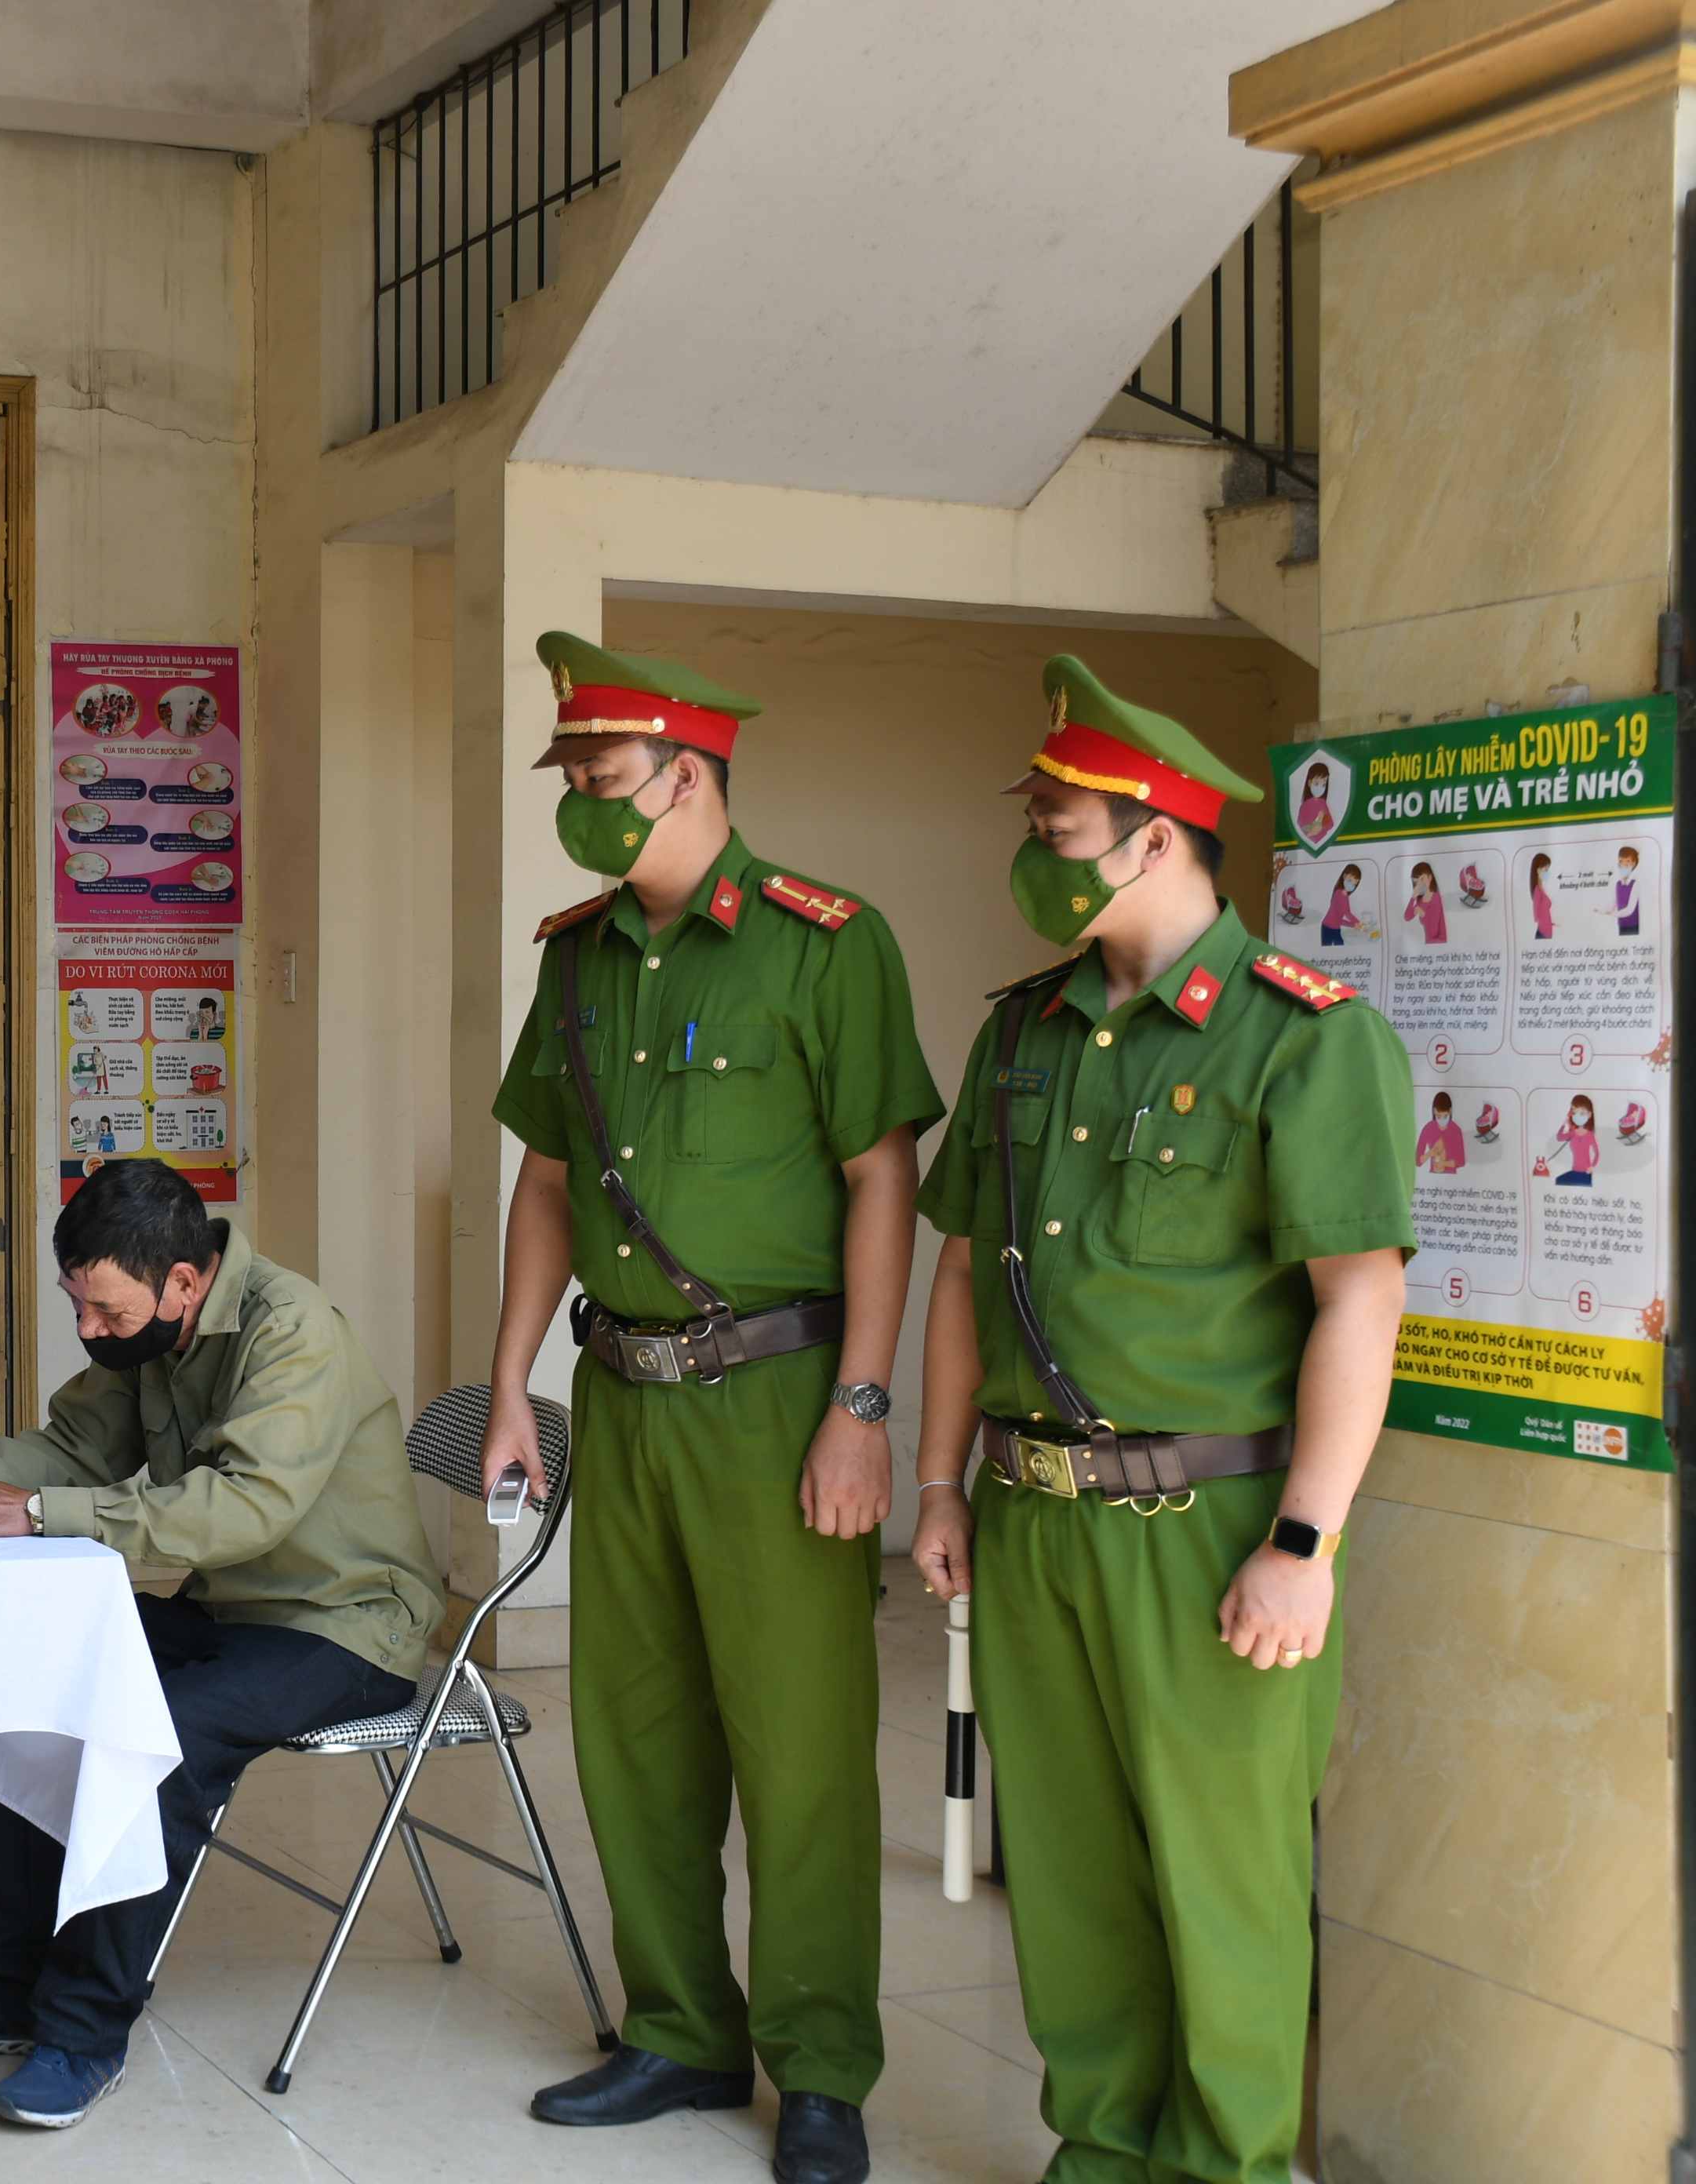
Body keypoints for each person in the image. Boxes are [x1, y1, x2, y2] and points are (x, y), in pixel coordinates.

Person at [905, 654, 1413, 2184]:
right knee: (1064, 1871)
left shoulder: (1303, 1037)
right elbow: (960, 1278)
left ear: (1156, 836)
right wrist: (940, 1485)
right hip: (1034, 1523)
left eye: (1057, 821)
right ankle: (1105, 2153)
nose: (1035, 847)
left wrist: (1305, 1542)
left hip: (1210, 1534)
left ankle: (1234, 2167)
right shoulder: (1021, 1034)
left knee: (1225, 1877)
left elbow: (1360, 1302)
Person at [474, 632, 938, 2184]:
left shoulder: (826, 942)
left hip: (783, 1392)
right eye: (575, 785)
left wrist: (863, 1402)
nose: (584, 808)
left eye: (603, 783)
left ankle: (820, 2067)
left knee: (802, 1744)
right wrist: (515, 1386)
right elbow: (545, 1180)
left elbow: (886, 1177)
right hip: (625, 1394)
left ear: (689, 776)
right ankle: (679, 2030)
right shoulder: (580, 953)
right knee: (636, 1732)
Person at [0, 1156, 446, 2131]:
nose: (89, 1331)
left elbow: (244, 1510)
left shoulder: (291, 1329)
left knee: (162, 1733)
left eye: (104, 1311)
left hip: (346, 1623)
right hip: (233, 1614)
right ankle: (9, 1980)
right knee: (24, 1665)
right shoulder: (152, 1326)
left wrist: (39, 1514)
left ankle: (85, 2029)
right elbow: (75, 1449)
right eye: (77, 1307)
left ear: (185, 1283)